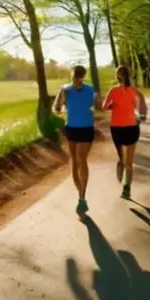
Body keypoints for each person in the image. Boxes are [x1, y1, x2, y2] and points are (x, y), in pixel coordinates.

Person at [53, 65, 99, 216]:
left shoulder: (91, 90)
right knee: (74, 160)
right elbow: (56, 108)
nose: (76, 81)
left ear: (83, 77)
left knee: (81, 158)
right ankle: (81, 195)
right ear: (71, 76)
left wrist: (93, 109)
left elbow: (97, 106)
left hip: (86, 128)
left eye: (78, 78)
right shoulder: (65, 89)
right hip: (71, 128)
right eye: (74, 78)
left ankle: (82, 197)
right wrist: (60, 108)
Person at [102, 65, 148, 199]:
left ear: (117, 77)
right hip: (132, 127)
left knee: (122, 157)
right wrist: (140, 115)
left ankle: (120, 162)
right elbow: (142, 109)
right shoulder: (135, 91)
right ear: (131, 76)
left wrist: (114, 106)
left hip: (116, 127)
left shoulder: (112, 90)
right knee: (130, 160)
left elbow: (105, 106)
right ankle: (126, 188)